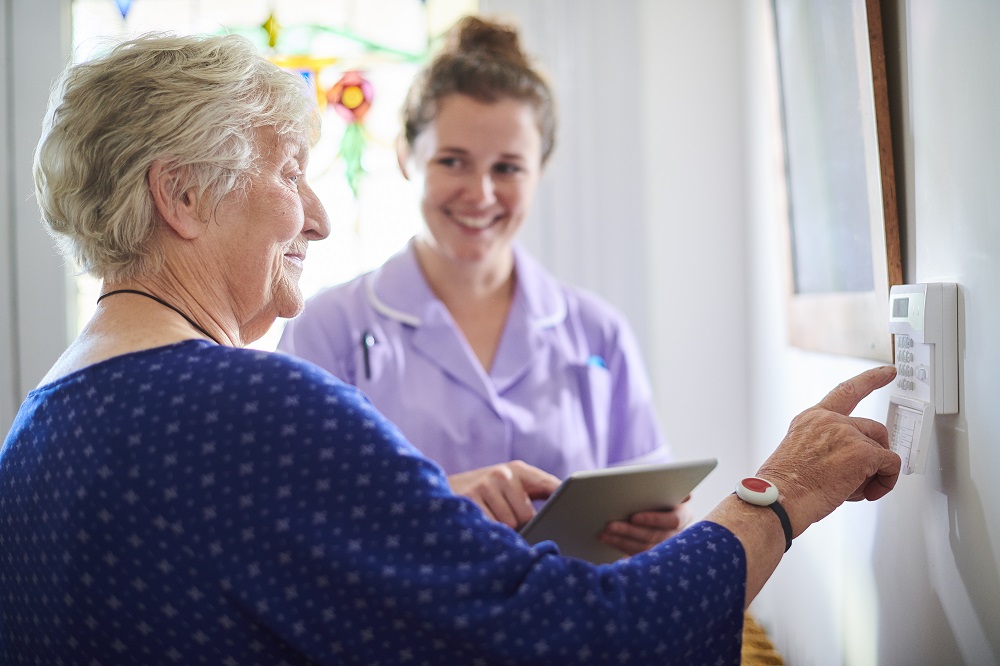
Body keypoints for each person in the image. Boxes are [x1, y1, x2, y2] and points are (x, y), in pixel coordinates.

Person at [0, 31, 901, 665]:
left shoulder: (33, 433)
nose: (316, 215)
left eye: (508, 166)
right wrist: (778, 493)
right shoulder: (259, 405)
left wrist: (420, 506)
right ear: (182, 197)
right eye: (287, 173)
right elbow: (583, 639)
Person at [278, 16, 687, 556]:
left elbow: (651, 500)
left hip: (567, 630)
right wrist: (432, 500)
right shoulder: (327, 329)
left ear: (541, 169)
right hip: (396, 634)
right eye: (453, 161)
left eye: (509, 168)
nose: (481, 193)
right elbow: (287, 520)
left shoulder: (598, 332)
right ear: (406, 156)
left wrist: (666, 525)